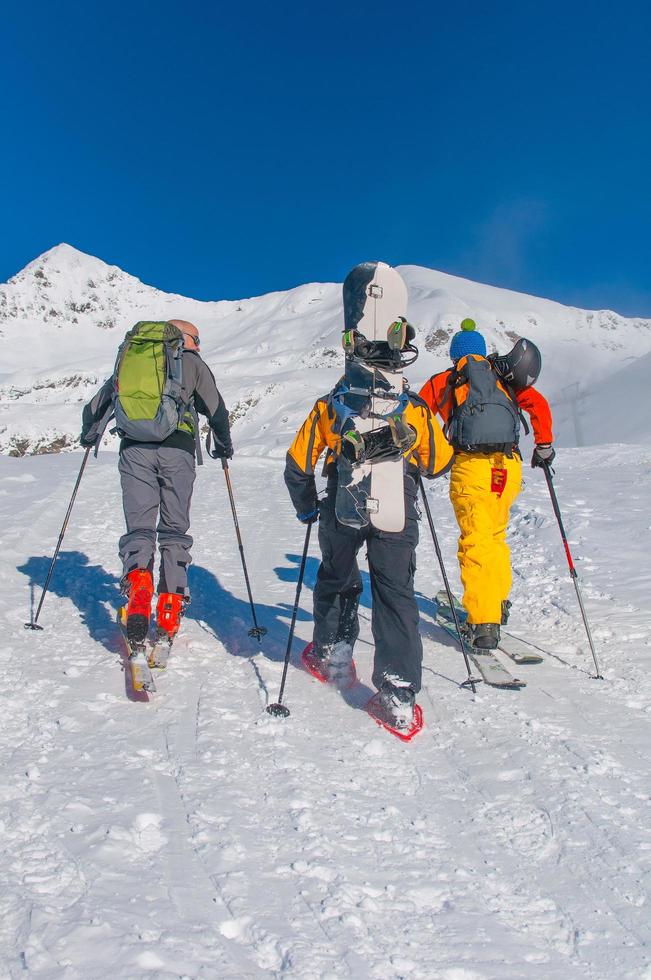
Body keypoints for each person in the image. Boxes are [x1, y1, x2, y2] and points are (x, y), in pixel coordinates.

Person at [284, 352, 452, 733]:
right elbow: (440, 462)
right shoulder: (415, 407)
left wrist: (308, 508)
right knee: (395, 590)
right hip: (397, 505)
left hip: (342, 500)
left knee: (337, 576)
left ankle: (333, 654)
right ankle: (398, 692)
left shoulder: (332, 404)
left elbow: (298, 463)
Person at [80, 319, 232, 646]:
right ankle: (169, 608)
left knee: (140, 528)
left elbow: (96, 406)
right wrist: (223, 443)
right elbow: (216, 409)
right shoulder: (191, 363)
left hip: (134, 450)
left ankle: (138, 588)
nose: (200, 345)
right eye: (197, 338)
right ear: (184, 338)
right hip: (177, 452)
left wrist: (89, 433)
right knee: (174, 530)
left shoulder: (135, 358)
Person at [418, 318, 554, 649]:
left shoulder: (446, 380)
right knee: (495, 538)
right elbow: (538, 405)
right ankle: (497, 603)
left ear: (455, 356)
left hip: (472, 468)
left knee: (475, 542)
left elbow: (419, 416)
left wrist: (429, 456)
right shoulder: (505, 376)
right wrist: (544, 444)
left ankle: (482, 623)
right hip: (508, 468)